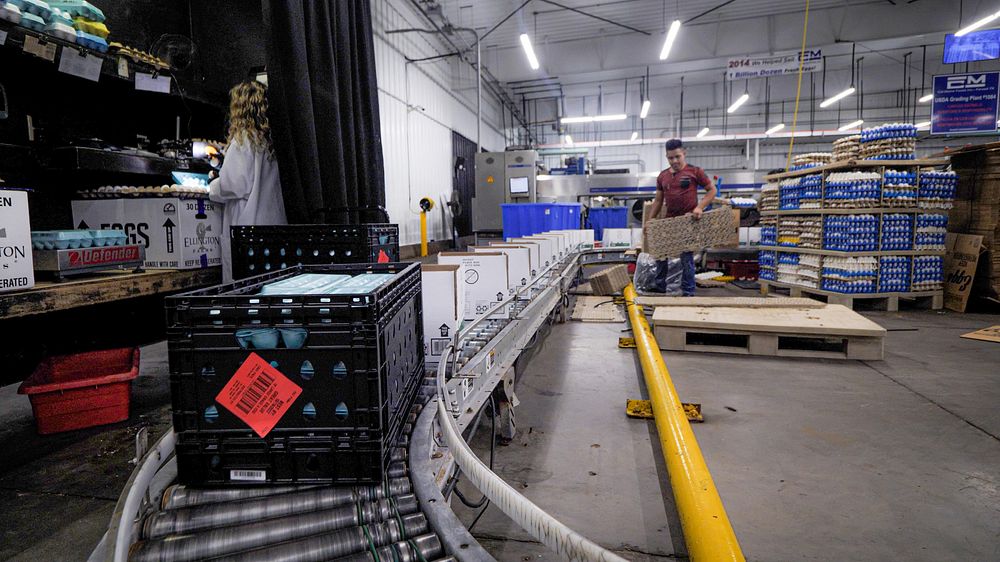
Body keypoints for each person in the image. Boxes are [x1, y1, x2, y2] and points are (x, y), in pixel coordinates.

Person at [209, 80, 287, 283]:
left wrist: (212, 185)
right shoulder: (272, 142)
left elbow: (232, 185)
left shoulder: (244, 139)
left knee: (245, 293)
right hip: (274, 229)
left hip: (248, 232)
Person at [648, 139, 717, 296]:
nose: (674, 161)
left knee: (686, 257)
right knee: (661, 254)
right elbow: (658, 200)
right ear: (666, 157)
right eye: (670, 158)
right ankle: (660, 287)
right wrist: (650, 220)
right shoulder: (663, 176)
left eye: (677, 157)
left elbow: (712, 191)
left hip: (687, 221)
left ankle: (688, 291)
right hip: (669, 221)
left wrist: (699, 207)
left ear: (684, 154)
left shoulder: (695, 171)